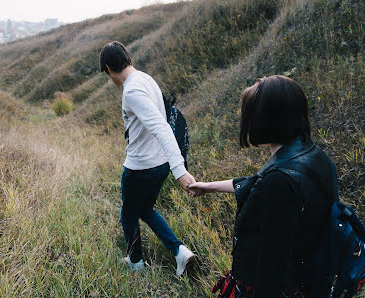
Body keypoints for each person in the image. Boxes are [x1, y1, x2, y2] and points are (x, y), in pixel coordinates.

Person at [188, 75, 337, 297]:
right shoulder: (314, 156)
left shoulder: (280, 181)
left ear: (264, 120)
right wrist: (207, 186)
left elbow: (273, 264)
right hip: (311, 278)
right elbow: (256, 183)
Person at [99, 41, 197, 276]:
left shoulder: (131, 91)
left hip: (141, 167)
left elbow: (161, 127)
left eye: (107, 74)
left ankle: (136, 264)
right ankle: (180, 252)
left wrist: (180, 170)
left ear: (109, 69)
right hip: (159, 164)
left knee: (128, 215)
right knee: (145, 209)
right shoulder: (145, 78)